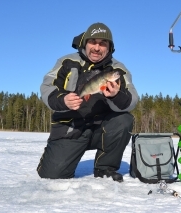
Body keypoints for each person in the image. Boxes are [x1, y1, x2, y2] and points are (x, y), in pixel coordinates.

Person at [37, 22, 138, 182]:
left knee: (123, 120)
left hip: (102, 129)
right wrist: (63, 100)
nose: (97, 48)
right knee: (52, 176)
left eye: (103, 43)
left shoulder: (117, 69)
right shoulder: (67, 62)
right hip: (71, 127)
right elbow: (46, 86)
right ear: (85, 43)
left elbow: (132, 99)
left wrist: (115, 96)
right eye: (93, 42)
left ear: (109, 47)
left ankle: (105, 169)